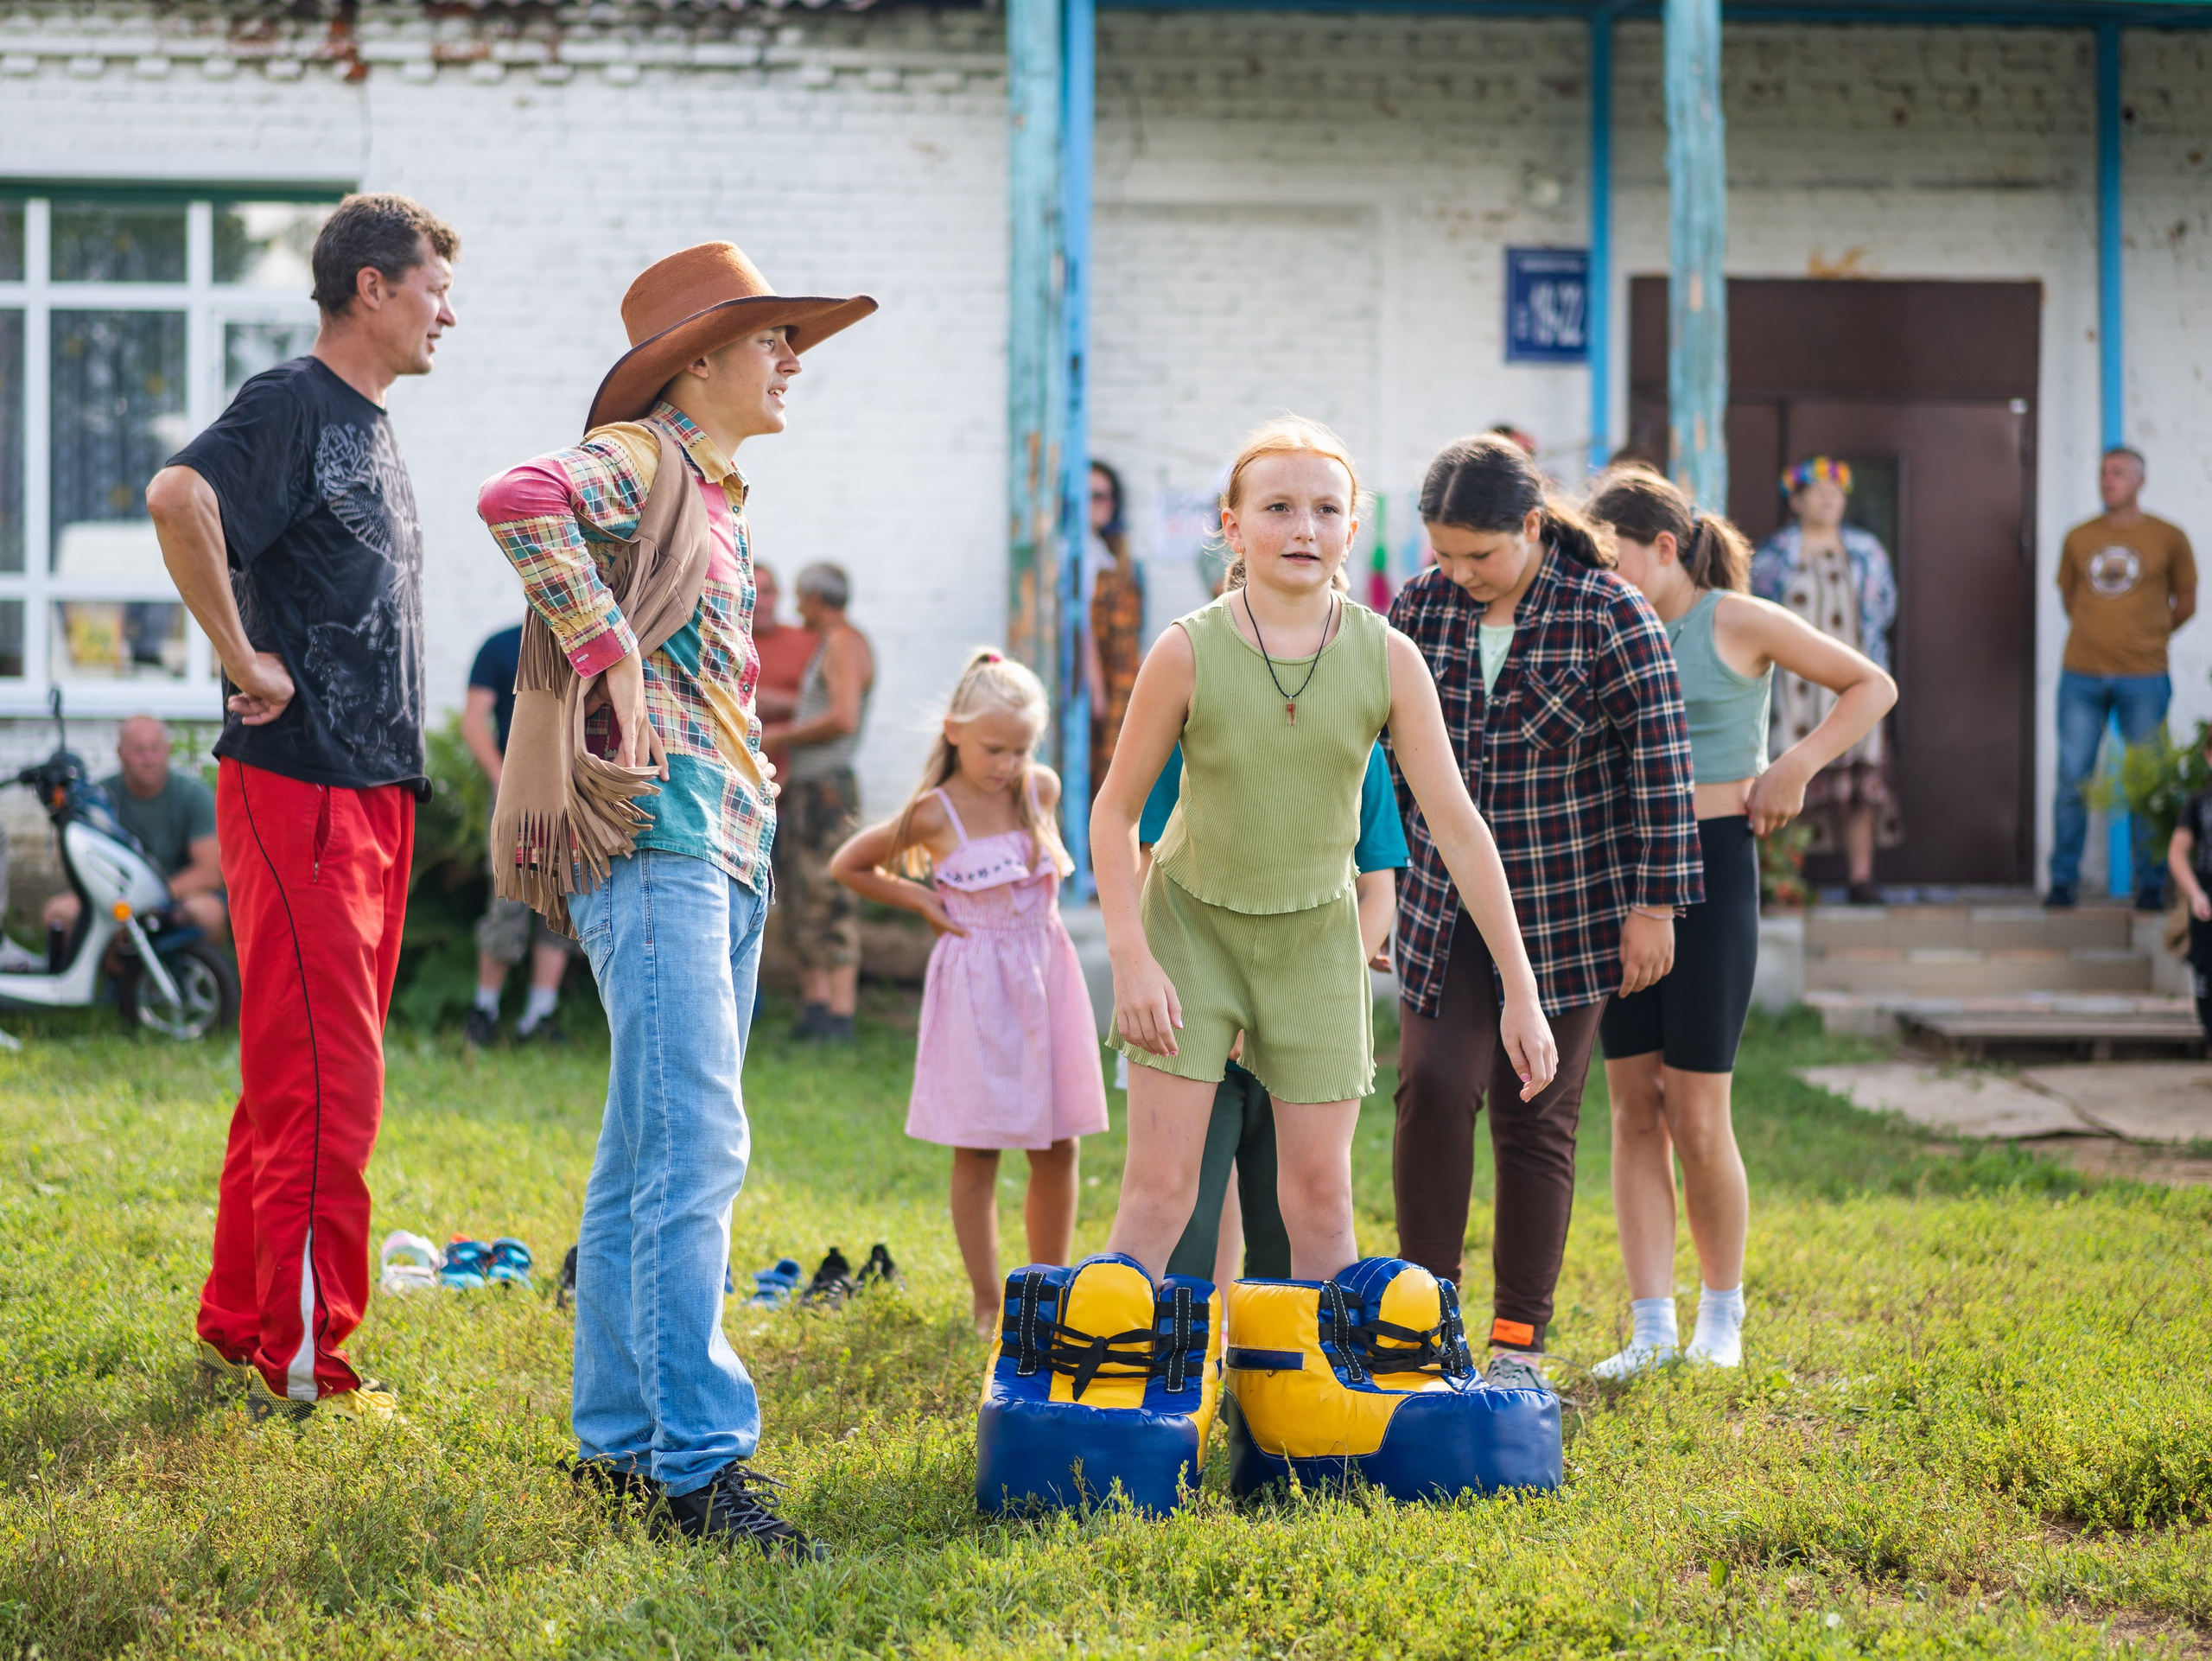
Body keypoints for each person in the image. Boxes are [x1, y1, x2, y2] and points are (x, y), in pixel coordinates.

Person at [478, 239, 874, 1554]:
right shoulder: (644, 455)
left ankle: (618, 1449)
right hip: (660, 841)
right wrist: (606, 649)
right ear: (696, 361)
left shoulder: (715, 495)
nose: (792, 359)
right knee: (697, 1145)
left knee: (645, 1150)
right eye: (770, 338)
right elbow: (518, 494)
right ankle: (700, 1466)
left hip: (720, 844)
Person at [1091, 416, 1558, 1391]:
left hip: (1316, 946)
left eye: (1325, 509)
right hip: (1190, 932)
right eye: (1277, 507)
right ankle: (1125, 1414)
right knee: (1160, 1194)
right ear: (1233, 525)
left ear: (1352, 529)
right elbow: (1114, 811)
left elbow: (1459, 827)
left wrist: (1521, 988)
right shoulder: (1186, 651)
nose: (1302, 527)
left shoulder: (1389, 658)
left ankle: (1316, 1425)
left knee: (1321, 1203)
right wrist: (1130, 957)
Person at [148, 192, 458, 1424]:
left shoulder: (369, 423)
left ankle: (241, 1321)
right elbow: (179, 496)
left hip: (370, 795)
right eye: (435, 288)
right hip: (303, 790)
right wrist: (240, 655)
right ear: (371, 286)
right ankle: (309, 1363)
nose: (448, 314)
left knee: (297, 1073)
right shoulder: (292, 400)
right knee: (331, 1087)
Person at [1389, 433, 1700, 1370]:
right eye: (1444, 554)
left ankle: (1518, 1342)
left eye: (1479, 554)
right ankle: (1426, 1321)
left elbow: (1662, 764)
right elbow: (1381, 759)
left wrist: (1655, 907)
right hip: (1442, 905)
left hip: (1566, 910)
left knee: (1535, 1113)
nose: (1460, 573)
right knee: (1432, 1086)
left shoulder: (1608, 611)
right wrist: (1377, 882)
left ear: (1530, 525)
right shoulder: (1418, 609)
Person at [1587, 467, 1896, 1376]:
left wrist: (1794, 765)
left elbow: (1869, 685)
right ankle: (1650, 1327)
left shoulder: (1736, 619)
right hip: (1619, 878)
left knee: (1696, 1113)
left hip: (1714, 868)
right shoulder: (1605, 625)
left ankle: (1721, 1315)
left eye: (1613, 558)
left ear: (1664, 548)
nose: (1603, 578)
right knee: (1631, 1108)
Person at [827, 648, 1106, 1336]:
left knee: (1059, 1143)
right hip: (978, 989)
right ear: (954, 731)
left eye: (1021, 749)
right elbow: (849, 864)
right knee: (978, 1146)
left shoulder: (1039, 792)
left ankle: (1047, 1291)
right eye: (993, 749)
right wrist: (922, 901)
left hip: (1046, 976)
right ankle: (988, 1302)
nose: (1007, 764)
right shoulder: (934, 813)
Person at [1142, 738, 1406, 1289]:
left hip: (1305, 1034)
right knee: (1184, 1227)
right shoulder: (1192, 734)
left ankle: (1274, 1344)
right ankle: (1183, 1341)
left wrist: (1320, 992)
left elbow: (1378, 893)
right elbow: (1150, 863)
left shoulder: (1361, 747)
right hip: (1198, 1028)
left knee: (1288, 1238)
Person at [2050, 447, 2197, 911]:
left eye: (2118, 473)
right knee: (2072, 779)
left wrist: (2148, 637)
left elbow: (2186, 602)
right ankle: (2062, 883)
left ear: (2140, 480)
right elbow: (2071, 599)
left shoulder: (2169, 537)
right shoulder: (2079, 536)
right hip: (2081, 675)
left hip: (2144, 676)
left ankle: (2150, 884)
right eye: (2103, 473)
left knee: (2147, 783)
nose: (2107, 480)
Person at [1750, 459, 1899, 906]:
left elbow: (1885, 607)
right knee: (1786, 771)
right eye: (1817, 493)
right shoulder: (1774, 554)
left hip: (1853, 683)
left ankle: (1861, 878)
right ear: (1795, 502)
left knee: (1858, 787)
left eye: (1835, 493)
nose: (1828, 500)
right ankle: (1782, 878)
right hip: (1791, 691)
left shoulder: (1867, 551)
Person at [764, 563, 875, 1042]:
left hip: (827, 791)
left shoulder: (845, 642)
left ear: (815, 597)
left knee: (831, 897)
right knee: (802, 894)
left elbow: (844, 717)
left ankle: (840, 1015)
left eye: (800, 597)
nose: (796, 606)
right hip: (809, 789)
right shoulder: (832, 642)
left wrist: (781, 737)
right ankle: (817, 1009)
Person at [460, 623, 577, 1046]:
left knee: (561, 903)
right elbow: (474, 721)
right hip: (517, 792)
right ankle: (484, 1011)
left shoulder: (584, 644)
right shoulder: (501, 645)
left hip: (571, 794)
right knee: (509, 898)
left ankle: (539, 1017)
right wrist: (502, 778)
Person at [42, 715, 227, 947]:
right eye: (138, 751)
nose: (148, 759)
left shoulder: (194, 794)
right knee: (58, 912)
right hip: (113, 899)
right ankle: (98, 970)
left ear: (168, 750)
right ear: (120, 753)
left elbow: (209, 873)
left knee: (208, 913)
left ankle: (198, 969)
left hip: (177, 895)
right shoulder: (100, 798)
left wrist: (149, 899)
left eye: (155, 749)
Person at [1086, 461, 1146, 798]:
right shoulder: (1079, 553)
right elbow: (1082, 627)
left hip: (1123, 673)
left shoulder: (1109, 552)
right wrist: (1096, 687)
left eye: (1107, 496)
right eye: (1094, 496)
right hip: (1105, 675)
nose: (1103, 504)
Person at [2163, 735, 2212, 1042]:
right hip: (2206, 895)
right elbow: (2177, 852)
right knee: (2206, 972)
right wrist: (2195, 893)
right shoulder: (2199, 802)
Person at [750, 563, 817, 780]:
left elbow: (829, 708)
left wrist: (776, 702)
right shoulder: (723, 644)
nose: (760, 603)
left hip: (799, 775)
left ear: (778, 594)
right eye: (752, 592)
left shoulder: (808, 642)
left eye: (766, 592)